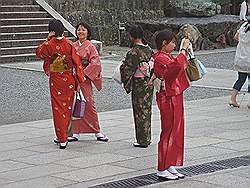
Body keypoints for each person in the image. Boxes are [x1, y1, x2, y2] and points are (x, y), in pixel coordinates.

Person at [36, 19, 85, 149]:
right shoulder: (69, 44)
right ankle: (63, 136)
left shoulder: (48, 45)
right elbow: (77, 63)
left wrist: (47, 40)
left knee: (58, 109)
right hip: (68, 79)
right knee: (67, 108)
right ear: (63, 30)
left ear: (51, 31)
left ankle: (61, 137)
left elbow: (39, 53)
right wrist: (79, 80)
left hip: (56, 80)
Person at [153, 30, 190, 179]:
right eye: (173, 42)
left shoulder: (165, 57)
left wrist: (184, 53)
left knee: (175, 130)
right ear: (164, 43)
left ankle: (170, 163)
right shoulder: (160, 58)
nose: (174, 45)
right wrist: (182, 50)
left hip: (174, 96)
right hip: (168, 98)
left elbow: (179, 65)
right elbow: (175, 68)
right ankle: (162, 167)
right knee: (168, 131)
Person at [69, 22, 109, 142]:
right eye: (79, 30)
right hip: (74, 78)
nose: (80, 32)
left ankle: (96, 131)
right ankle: (76, 132)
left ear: (88, 32)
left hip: (84, 78)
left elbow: (95, 63)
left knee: (89, 105)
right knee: (74, 104)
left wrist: (83, 74)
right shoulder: (72, 45)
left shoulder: (90, 46)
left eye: (83, 30)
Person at [120, 25, 154, 148]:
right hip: (149, 82)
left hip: (139, 83)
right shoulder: (149, 49)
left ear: (132, 36)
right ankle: (147, 138)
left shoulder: (133, 52)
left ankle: (142, 140)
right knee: (147, 109)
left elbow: (126, 69)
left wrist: (122, 67)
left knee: (139, 111)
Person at [229, 17, 250, 108]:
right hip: (249, 59)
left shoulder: (243, 26)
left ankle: (232, 99)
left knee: (241, 79)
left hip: (240, 58)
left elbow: (236, 37)